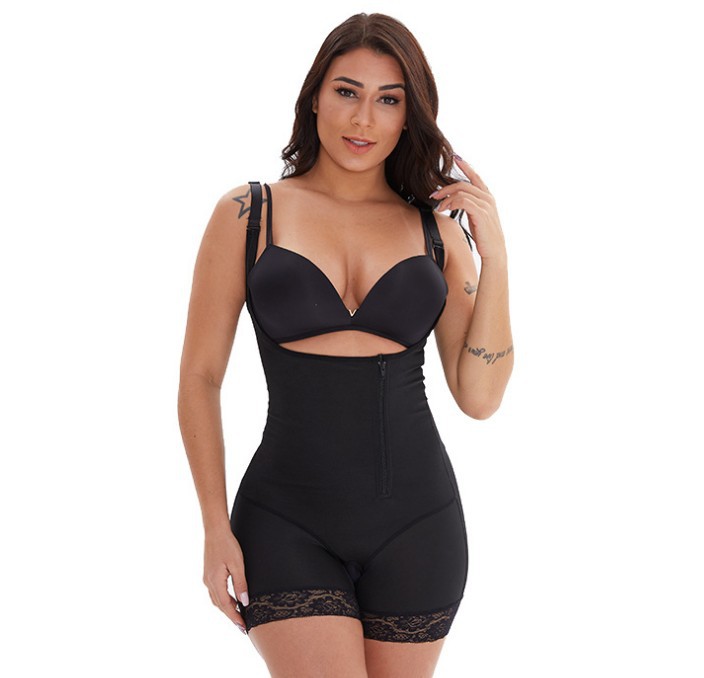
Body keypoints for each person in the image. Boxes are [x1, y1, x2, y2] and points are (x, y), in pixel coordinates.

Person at [178, 12, 513, 677]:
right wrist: (215, 527)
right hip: (285, 522)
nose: (363, 119)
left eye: (388, 100)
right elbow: (201, 378)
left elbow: (479, 397)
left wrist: (495, 253)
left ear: (409, 115)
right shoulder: (248, 214)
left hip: (420, 525)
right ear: (314, 97)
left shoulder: (436, 235)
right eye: (346, 92)